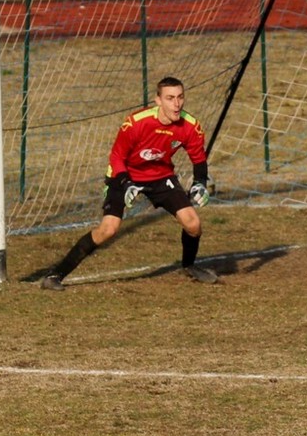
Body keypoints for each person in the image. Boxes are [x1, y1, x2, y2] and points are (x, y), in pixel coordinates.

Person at [40, 76, 218, 290]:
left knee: (193, 224)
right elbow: (116, 157)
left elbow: (198, 159)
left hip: (161, 176)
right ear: (158, 100)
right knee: (108, 229)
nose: (177, 104)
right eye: (170, 98)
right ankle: (55, 275)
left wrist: (199, 183)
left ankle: (189, 265)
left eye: (180, 97)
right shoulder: (136, 123)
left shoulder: (190, 126)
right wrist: (126, 184)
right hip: (124, 174)